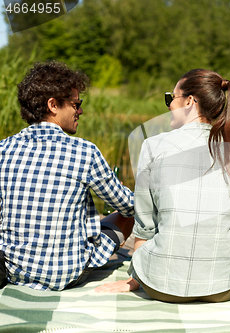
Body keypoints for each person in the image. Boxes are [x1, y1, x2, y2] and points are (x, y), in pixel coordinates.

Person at [96, 69, 230, 302]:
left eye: (171, 98)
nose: (169, 105)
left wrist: (137, 277)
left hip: (162, 288)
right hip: (225, 287)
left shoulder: (153, 145)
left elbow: (145, 224)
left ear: (190, 101)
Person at [0, 60, 135, 291]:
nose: (80, 111)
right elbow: (130, 206)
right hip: (67, 274)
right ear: (53, 105)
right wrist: (123, 192)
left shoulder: (3, 149)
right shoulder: (85, 151)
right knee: (125, 216)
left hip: (15, 272)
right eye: (75, 104)